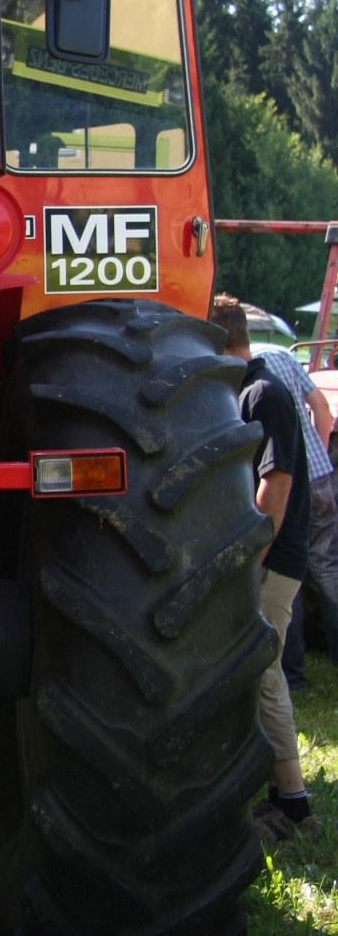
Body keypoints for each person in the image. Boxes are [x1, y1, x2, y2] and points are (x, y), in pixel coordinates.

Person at [211, 294, 320, 842]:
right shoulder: (252, 390)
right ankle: (274, 791)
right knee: (260, 673)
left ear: (219, 341)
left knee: (265, 673)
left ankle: (294, 805)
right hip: (269, 559)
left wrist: (250, 559)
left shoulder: (263, 393)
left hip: (274, 562)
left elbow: (274, 487)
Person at [252, 333, 338, 681]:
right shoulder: (281, 355)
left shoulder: (250, 375)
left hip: (286, 480)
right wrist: (317, 454)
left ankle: (292, 670)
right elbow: (321, 407)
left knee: (286, 571)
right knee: (326, 569)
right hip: (320, 479)